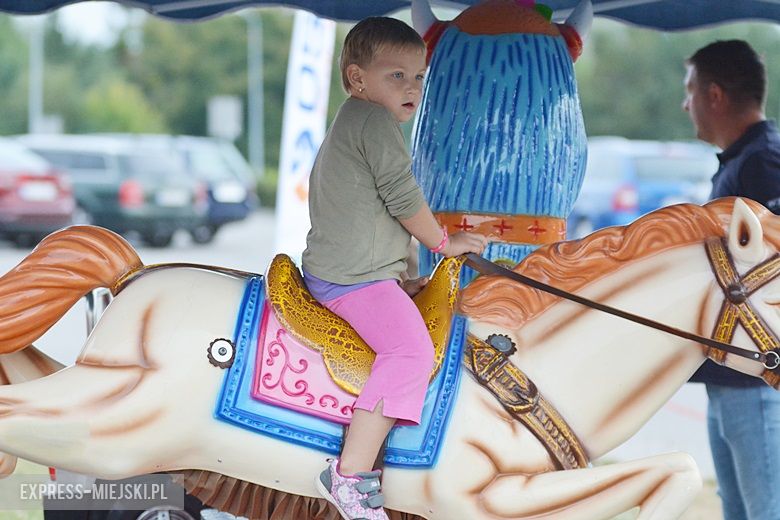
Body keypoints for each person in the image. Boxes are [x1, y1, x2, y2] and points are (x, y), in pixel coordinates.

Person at [302, 17, 487, 520]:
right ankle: (349, 475)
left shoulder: (355, 120)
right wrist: (448, 244)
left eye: (418, 77)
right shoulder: (373, 121)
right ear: (358, 79)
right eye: (396, 76)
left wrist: (404, 278)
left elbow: (375, 213)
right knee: (410, 352)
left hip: (354, 270)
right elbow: (403, 199)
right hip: (351, 279)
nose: (411, 88)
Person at [683, 39, 780, 520]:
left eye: (691, 90)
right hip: (731, 374)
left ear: (714, 95)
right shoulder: (746, 161)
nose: (686, 104)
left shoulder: (763, 163)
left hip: (757, 377)